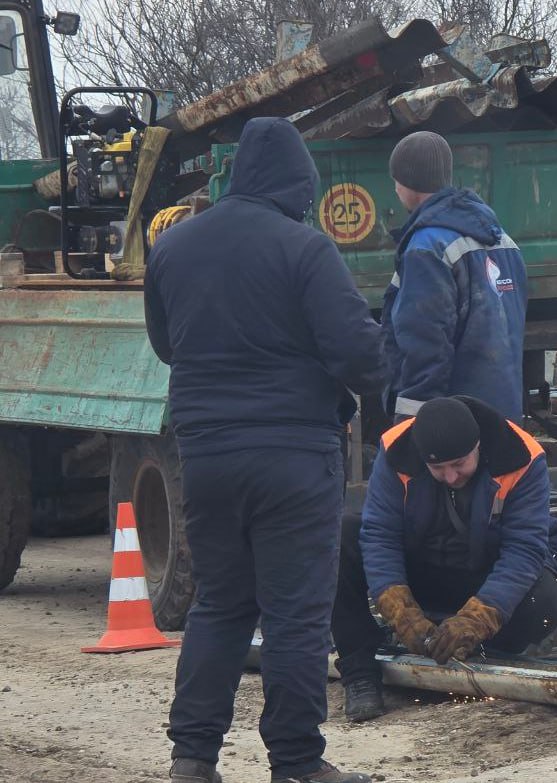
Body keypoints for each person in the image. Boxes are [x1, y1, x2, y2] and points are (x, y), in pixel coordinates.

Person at [144, 117, 383, 783]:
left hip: (208, 456)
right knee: (295, 613)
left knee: (220, 601)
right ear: (297, 185)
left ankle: (191, 759)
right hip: (293, 458)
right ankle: (297, 762)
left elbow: (168, 344)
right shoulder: (305, 249)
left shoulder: (172, 248)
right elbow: (358, 353)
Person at [331, 395, 557, 722]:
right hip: (425, 567)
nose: (450, 477)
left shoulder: (522, 457)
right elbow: (380, 536)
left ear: (478, 447)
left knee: (542, 598)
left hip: (485, 573)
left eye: (459, 465)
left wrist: (477, 619)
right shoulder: (396, 450)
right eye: (437, 468)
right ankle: (360, 675)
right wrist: (400, 610)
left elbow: (523, 551)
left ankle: (485, 647)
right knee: (341, 537)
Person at [382, 131, 527, 422]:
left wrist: (413, 425)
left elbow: (424, 345)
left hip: (453, 430)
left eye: (396, 179)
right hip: (502, 416)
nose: (395, 188)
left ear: (410, 181)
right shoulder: (502, 240)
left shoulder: (426, 248)